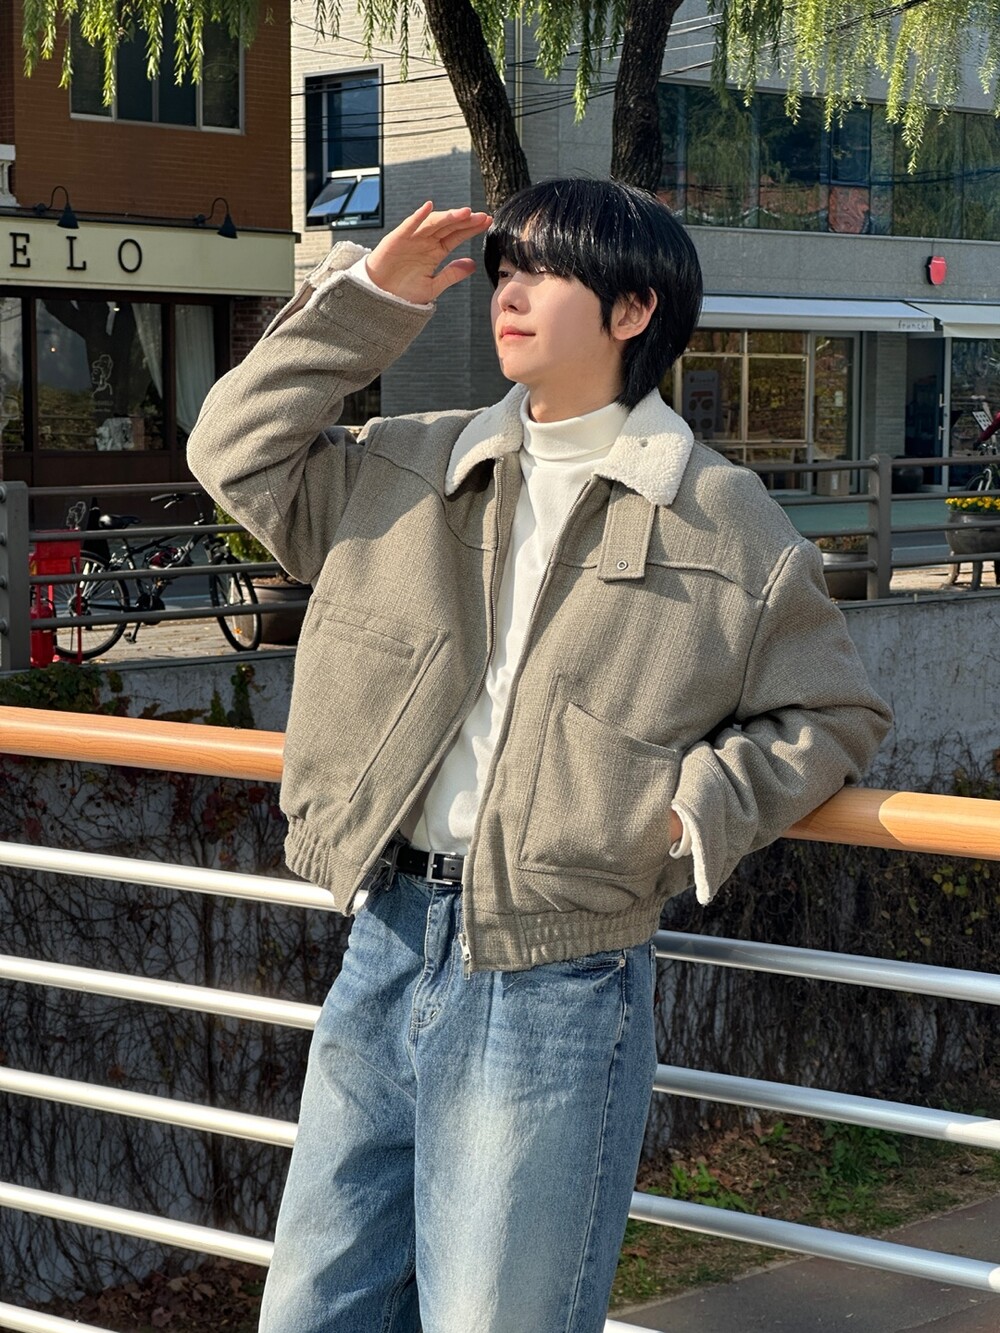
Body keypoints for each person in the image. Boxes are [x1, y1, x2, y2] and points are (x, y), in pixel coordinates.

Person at [187, 178, 891, 1333]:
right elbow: (232, 449)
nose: (508, 292)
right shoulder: (409, 464)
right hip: (384, 934)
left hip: (558, 976)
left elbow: (835, 710)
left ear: (631, 310)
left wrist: (687, 813)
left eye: (543, 271)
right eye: (504, 269)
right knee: (313, 1311)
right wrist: (363, 302)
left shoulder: (721, 519)